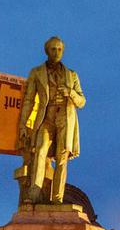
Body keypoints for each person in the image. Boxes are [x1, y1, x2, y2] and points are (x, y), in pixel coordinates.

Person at [17, 35, 86, 204]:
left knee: (62, 157)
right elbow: (29, 100)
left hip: (65, 116)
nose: (57, 52)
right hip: (46, 115)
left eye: (60, 49)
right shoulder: (36, 72)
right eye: (53, 49)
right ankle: (34, 194)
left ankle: (57, 198)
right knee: (40, 151)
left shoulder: (72, 75)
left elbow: (82, 101)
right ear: (47, 51)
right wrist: (23, 124)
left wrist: (70, 92)